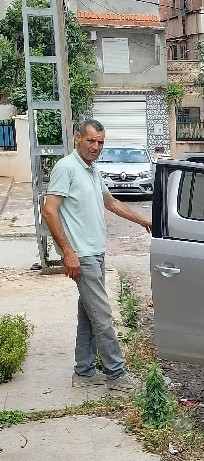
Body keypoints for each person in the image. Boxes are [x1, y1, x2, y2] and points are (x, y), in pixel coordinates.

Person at [42, 119, 152, 390]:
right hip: (82, 253)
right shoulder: (66, 167)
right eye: (91, 140)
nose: (96, 147)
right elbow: (49, 211)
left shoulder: (92, 169)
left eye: (100, 142)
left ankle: (84, 371)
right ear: (78, 138)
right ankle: (116, 374)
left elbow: (110, 201)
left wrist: (143, 221)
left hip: (96, 251)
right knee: (102, 315)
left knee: (88, 313)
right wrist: (68, 252)